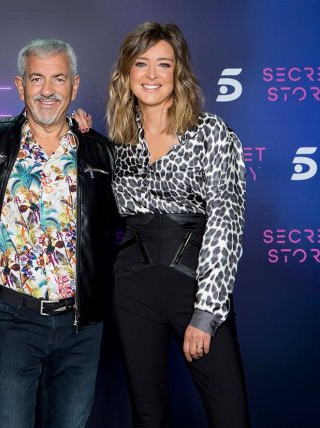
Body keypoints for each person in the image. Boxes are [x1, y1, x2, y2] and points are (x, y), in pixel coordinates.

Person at [106, 22, 251, 427]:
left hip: (194, 285)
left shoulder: (211, 134)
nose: (151, 75)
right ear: (127, 73)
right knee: (148, 415)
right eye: (141, 64)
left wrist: (206, 314)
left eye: (163, 65)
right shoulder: (118, 141)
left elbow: (227, 221)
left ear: (179, 72)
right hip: (132, 287)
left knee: (229, 416)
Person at [0, 39, 116, 428]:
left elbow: (120, 232)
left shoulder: (100, 152)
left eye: (58, 79)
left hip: (80, 323)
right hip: (11, 319)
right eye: (36, 78)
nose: (47, 90)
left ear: (74, 86)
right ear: (20, 85)